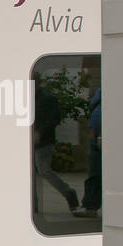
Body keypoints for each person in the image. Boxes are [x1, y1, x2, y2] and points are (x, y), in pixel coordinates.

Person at [32, 82, 80, 216]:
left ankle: (69, 192)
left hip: (44, 141)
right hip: (30, 141)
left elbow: (55, 118)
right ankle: (33, 205)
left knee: (44, 170)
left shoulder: (48, 99)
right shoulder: (28, 99)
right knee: (30, 174)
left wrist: (40, 132)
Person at [75, 87, 102, 218]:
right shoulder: (99, 100)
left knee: (95, 174)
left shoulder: (103, 97)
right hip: (97, 140)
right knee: (94, 174)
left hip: (100, 141)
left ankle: (90, 206)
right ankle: (90, 205)